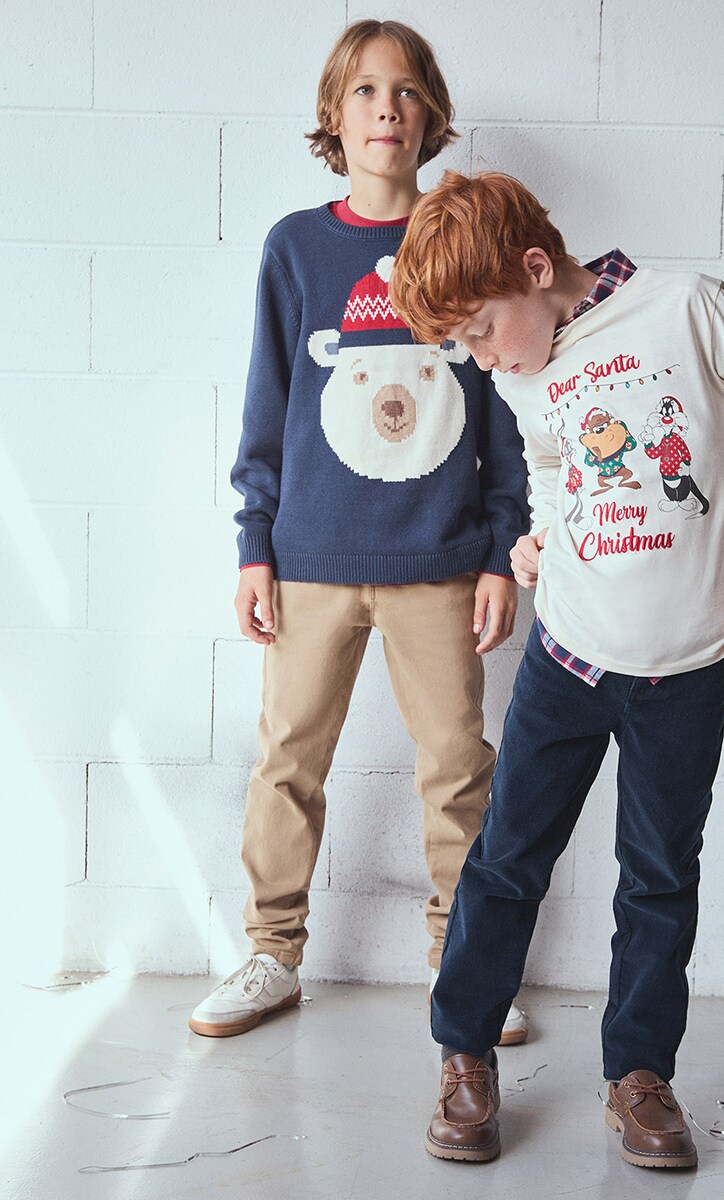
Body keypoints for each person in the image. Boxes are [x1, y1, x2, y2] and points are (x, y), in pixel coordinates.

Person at [390, 170, 724, 1167]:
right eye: (464, 347)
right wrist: (541, 537)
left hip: (687, 667)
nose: (482, 359)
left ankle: (638, 1074)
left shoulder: (687, 308)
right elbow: (554, 465)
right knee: (506, 861)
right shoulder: (520, 369)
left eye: (481, 332)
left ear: (534, 268)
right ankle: (464, 1053)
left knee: (660, 876)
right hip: (569, 660)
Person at [188, 26, 529, 1047]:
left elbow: (506, 403)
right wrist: (254, 543)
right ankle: (271, 954)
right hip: (310, 560)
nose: (389, 108)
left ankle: (463, 966)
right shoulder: (296, 247)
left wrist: (500, 548)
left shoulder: (466, 236)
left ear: (432, 115)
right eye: (368, 91)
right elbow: (268, 401)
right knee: (287, 761)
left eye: (409, 91)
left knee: (457, 767)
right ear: (334, 117)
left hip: (442, 559)